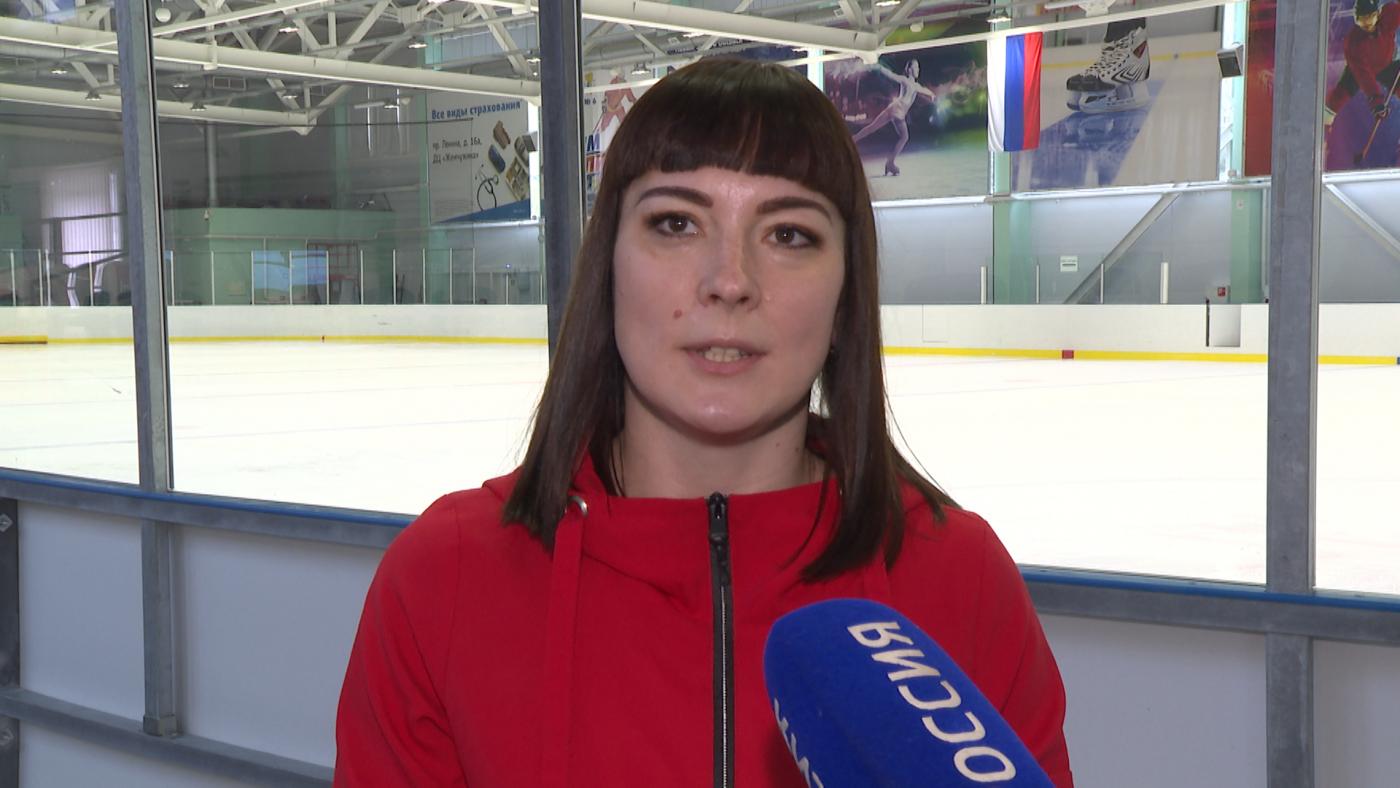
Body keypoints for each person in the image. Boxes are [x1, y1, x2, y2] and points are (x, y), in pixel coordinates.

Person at [334, 57, 1073, 787]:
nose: (729, 281)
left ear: (847, 291)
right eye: (676, 222)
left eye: (789, 234)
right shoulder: (444, 580)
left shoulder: (960, 579)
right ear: (609, 266)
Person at [1324, 0, 1400, 150]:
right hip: (1358, 70)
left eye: (1370, 17)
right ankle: (1323, 128)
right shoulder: (1353, 42)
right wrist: (1377, 103)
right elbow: (1365, 77)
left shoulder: (1390, 14)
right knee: (1337, 99)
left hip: (1387, 64)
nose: (1367, 24)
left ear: (1378, 13)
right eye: (1362, 20)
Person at [850, 58, 937, 175]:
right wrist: (879, 67)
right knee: (904, 137)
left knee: (872, 128)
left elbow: (923, 89)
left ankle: (853, 139)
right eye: (916, 67)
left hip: (894, 108)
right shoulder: (905, 81)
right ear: (909, 70)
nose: (918, 69)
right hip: (898, 111)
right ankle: (890, 163)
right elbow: (892, 75)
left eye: (918, 67)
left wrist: (931, 94)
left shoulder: (915, 85)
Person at [1065, 17, 1151, 113]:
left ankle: (1132, 68)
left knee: (1131, 16)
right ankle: (1110, 62)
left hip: (1134, 64)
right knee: (1116, 16)